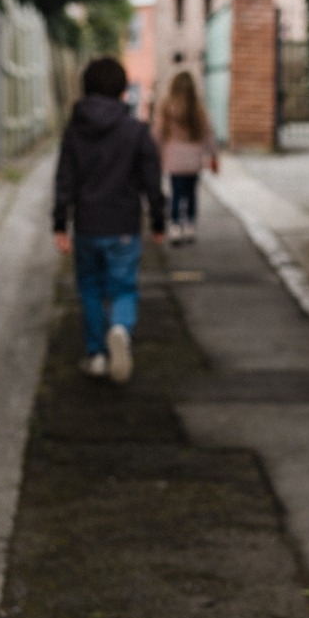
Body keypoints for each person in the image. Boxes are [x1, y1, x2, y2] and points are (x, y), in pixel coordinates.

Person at [53, 57, 166, 384]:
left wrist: (60, 224)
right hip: (124, 227)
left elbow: (65, 181)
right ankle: (120, 327)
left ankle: (97, 355)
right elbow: (151, 181)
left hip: (87, 226)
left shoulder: (75, 131)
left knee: (89, 289)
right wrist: (158, 221)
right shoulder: (136, 131)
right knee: (123, 287)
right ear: (121, 90)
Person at [153, 70, 220, 244]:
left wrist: (155, 154)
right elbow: (209, 134)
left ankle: (175, 227)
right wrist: (214, 155)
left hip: (174, 160)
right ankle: (189, 226)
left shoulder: (166, 107)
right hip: (193, 160)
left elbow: (157, 134)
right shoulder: (198, 109)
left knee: (176, 193)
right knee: (191, 194)